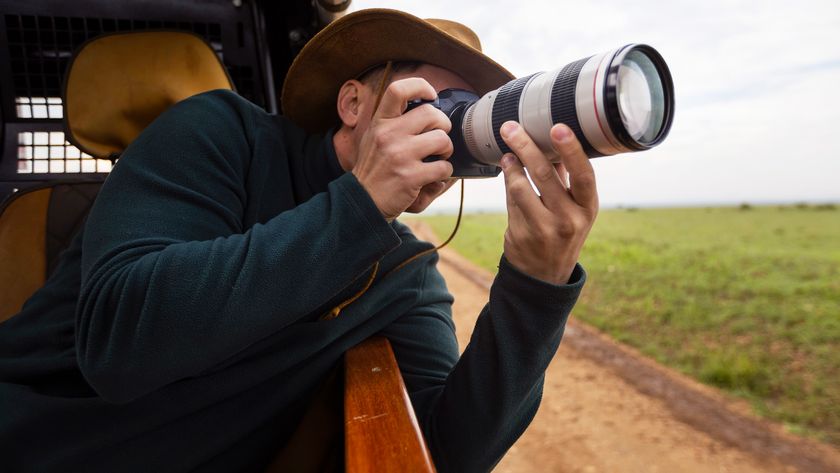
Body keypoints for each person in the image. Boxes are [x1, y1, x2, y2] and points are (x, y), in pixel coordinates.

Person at [0, 8, 598, 473]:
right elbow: (120, 345)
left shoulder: (402, 273)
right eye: (428, 104)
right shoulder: (218, 134)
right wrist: (361, 204)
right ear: (352, 103)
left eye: (465, 121)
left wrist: (535, 287)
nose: (443, 137)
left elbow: (445, 450)